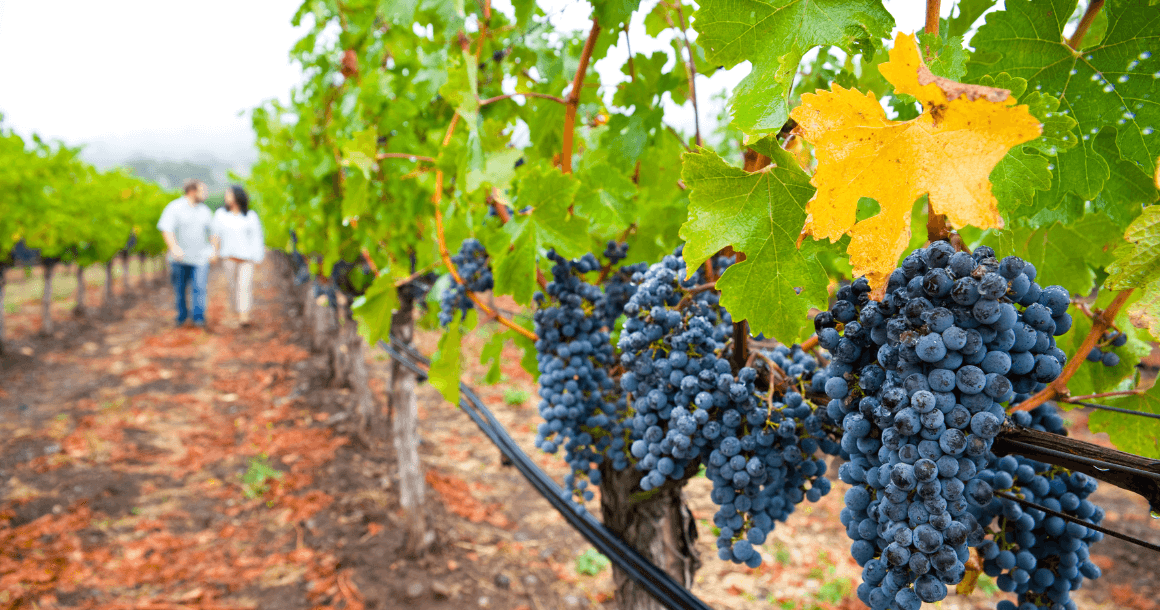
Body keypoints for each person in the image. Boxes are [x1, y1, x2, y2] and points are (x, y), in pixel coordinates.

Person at [157, 179, 212, 327]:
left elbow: (212, 232)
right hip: (179, 258)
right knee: (180, 290)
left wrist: (213, 250)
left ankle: (198, 319)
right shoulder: (174, 207)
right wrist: (174, 247)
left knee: (199, 288)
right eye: (202, 191)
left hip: (200, 258)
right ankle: (181, 318)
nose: (205, 194)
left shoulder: (205, 211)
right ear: (192, 191)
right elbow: (166, 229)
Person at [211, 185, 264, 328]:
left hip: (246, 259)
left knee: (244, 287)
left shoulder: (250, 216)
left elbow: (257, 238)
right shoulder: (221, 215)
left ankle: (244, 317)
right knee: (232, 287)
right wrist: (214, 252)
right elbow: (215, 235)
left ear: (237, 196)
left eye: (229, 194)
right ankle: (235, 312)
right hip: (229, 258)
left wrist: (258, 257)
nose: (226, 197)